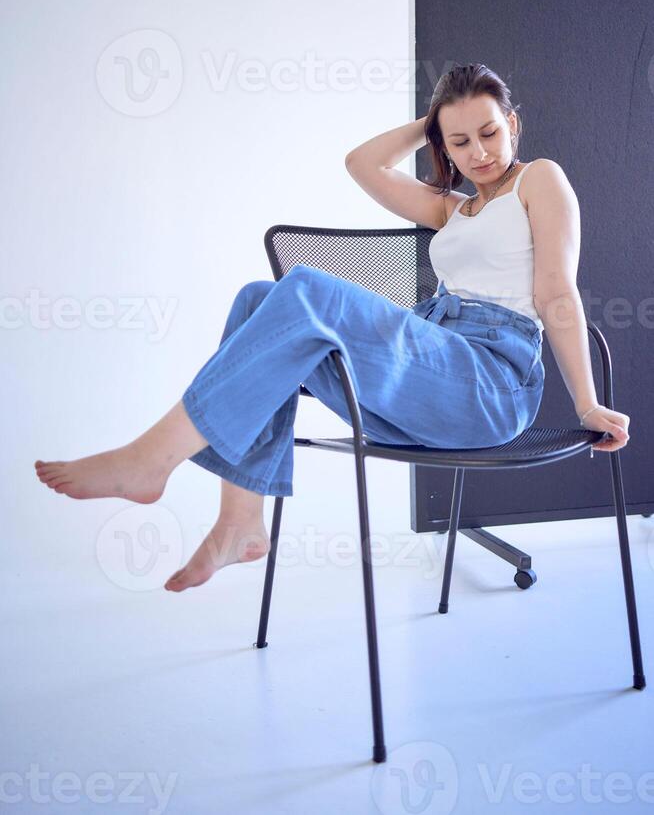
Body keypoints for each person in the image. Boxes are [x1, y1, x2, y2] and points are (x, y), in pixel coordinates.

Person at [34, 63, 630, 593]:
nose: (479, 151)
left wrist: (586, 403)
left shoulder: (539, 180)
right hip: (430, 368)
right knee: (255, 299)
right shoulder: (451, 207)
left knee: (305, 290)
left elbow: (556, 293)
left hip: (491, 385)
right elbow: (361, 164)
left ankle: (151, 458)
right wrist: (430, 120)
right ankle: (240, 520)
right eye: (459, 140)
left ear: (514, 126)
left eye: (490, 132)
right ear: (442, 145)